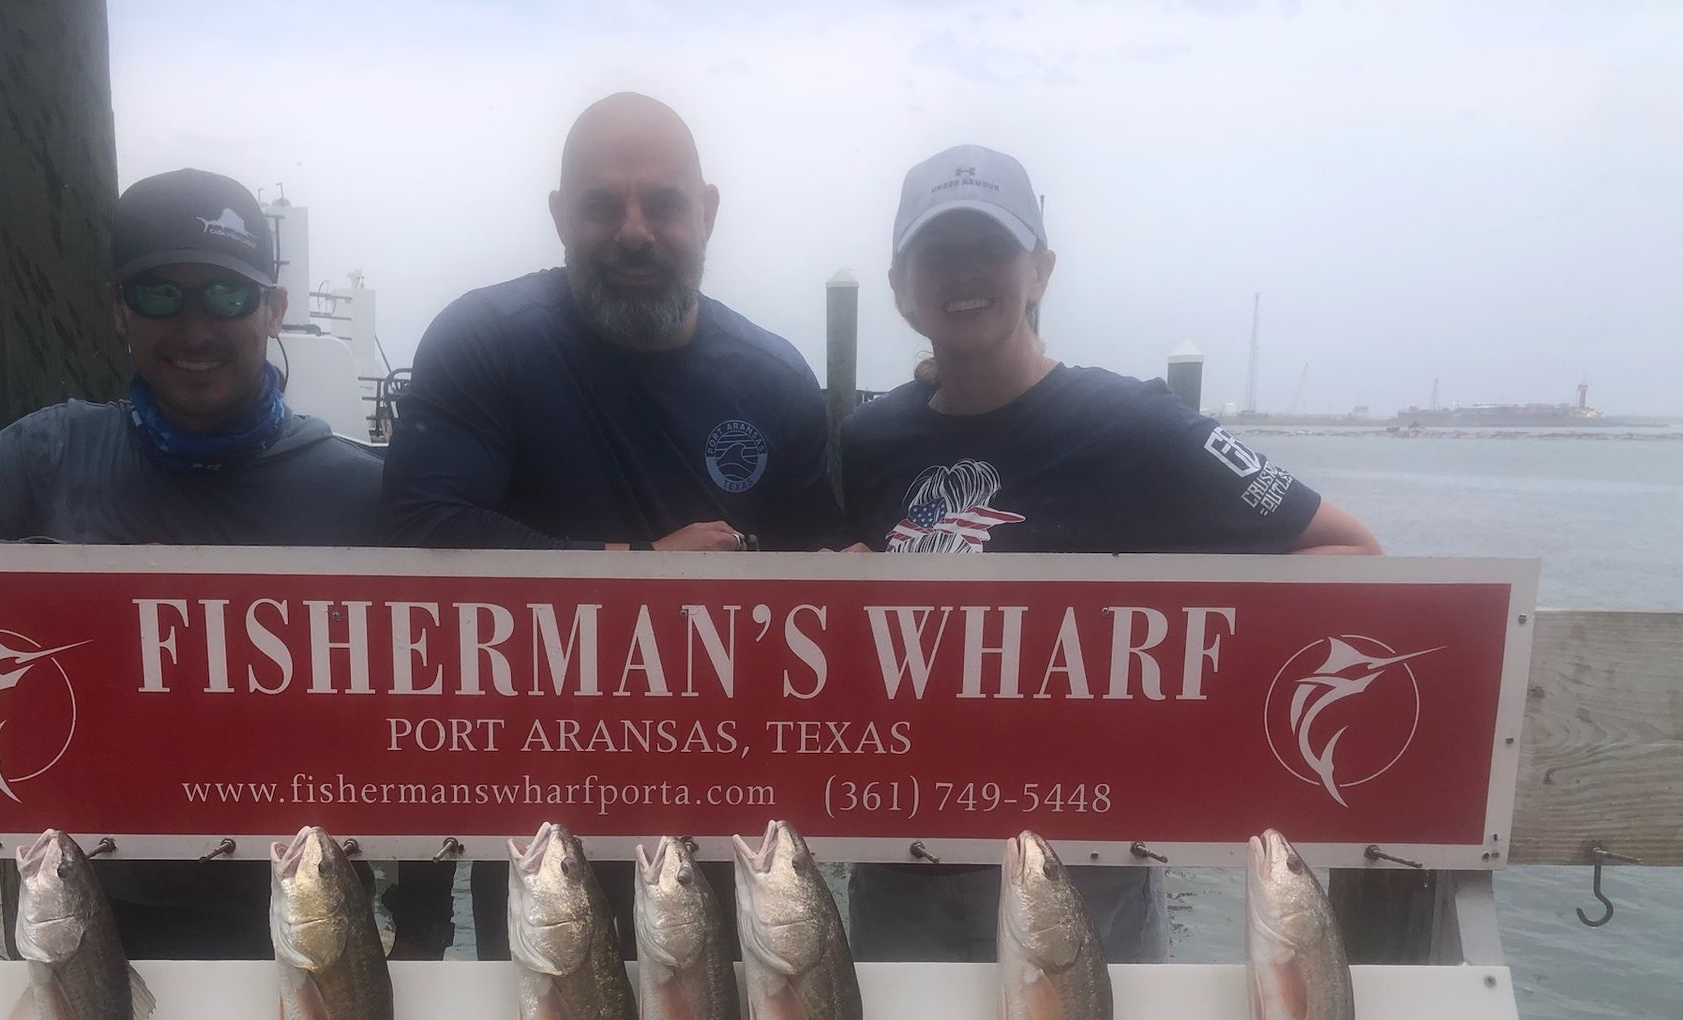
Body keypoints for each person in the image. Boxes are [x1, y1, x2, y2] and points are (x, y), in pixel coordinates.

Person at [0, 169, 386, 960]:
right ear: (118, 307)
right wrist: (51, 594)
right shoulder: (58, 448)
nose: (193, 327)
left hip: (303, 916)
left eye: (225, 294)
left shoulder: (359, 487)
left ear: (273, 308)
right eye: (158, 296)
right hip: (81, 906)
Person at [841, 144, 1381, 964]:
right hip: (903, 864)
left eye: (990, 247)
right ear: (899, 284)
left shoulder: (1138, 425)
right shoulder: (865, 440)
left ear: (1041, 270)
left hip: (1087, 874)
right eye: (937, 253)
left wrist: (1191, 644)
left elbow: (1353, 557)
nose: (963, 273)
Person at [385, 90, 848, 958]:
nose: (633, 230)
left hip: (723, 823)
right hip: (539, 820)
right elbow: (418, 526)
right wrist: (639, 569)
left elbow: (812, 579)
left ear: (706, 213)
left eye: (663, 202)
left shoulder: (776, 379)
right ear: (561, 217)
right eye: (602, 204)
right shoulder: (486, 339)